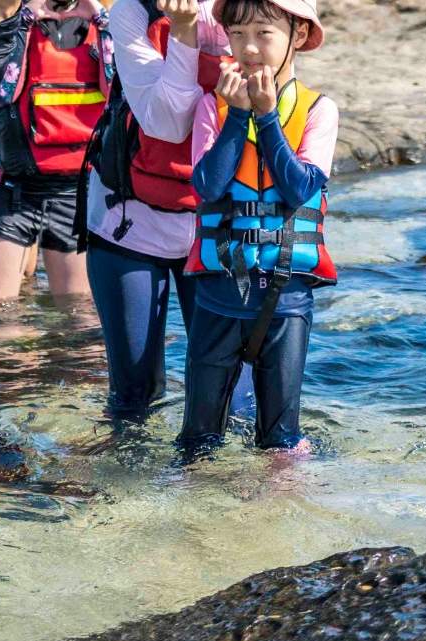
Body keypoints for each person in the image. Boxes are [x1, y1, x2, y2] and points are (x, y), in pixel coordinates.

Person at [176, 0, 339, 455]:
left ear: (299, 36)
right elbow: (208, 185)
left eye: (264, 34)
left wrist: (267, 117)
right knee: (198, 437)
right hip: (218, 295)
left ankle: (273, 521)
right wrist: (240, 115)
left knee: (280, 441)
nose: (249, 48)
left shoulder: (319, 110)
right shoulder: (214, 107)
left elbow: (298, 188)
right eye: (238, 34)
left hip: (286, 299)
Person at [80, 0, 228, 422]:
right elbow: (167, 123)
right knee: (134, 392)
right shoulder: (132, 11)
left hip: (214, 223)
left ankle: (223, 483)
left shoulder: (241, 11)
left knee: (226, 389)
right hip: (127, 220)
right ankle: (127, 484)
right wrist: (183, 32)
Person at [0, 0, 108, 306]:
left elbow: (122, 91)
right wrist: (21, 18)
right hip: (10, 184)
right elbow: (0, 91)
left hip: (76, 188)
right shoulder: (12, 14)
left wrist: (103, 20)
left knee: (79, 312)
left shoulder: (104, 23)